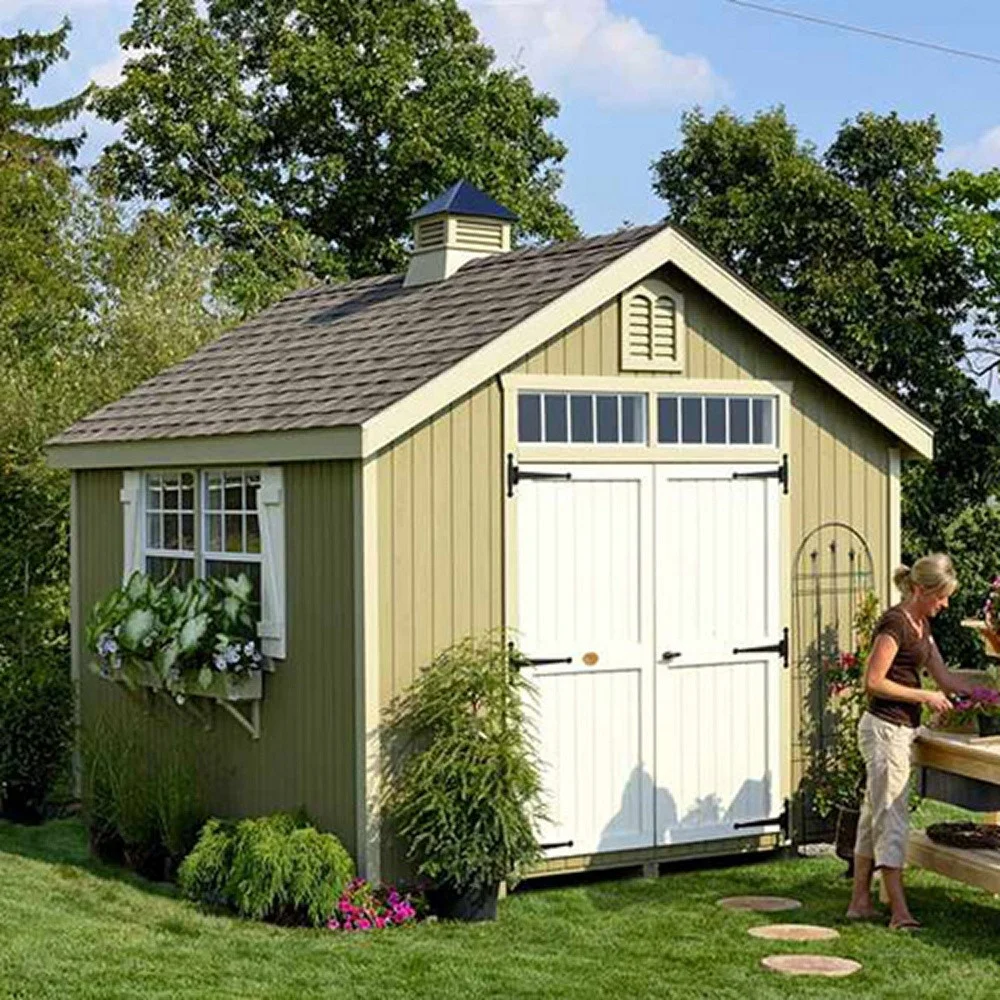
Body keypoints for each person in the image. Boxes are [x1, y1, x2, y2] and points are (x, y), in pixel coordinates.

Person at [845, 553, 974, 930]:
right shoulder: (895, 623)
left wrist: (988, 693)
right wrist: (925, 697)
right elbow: (873, 681)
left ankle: (859, 902)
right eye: (940, 596)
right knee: (893, 818)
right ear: (919, 589)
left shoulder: (921, 626)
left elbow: (947, 679)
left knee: (875, 817)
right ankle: (900, 913)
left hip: (900, 731)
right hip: (884, 730)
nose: (945, 604)